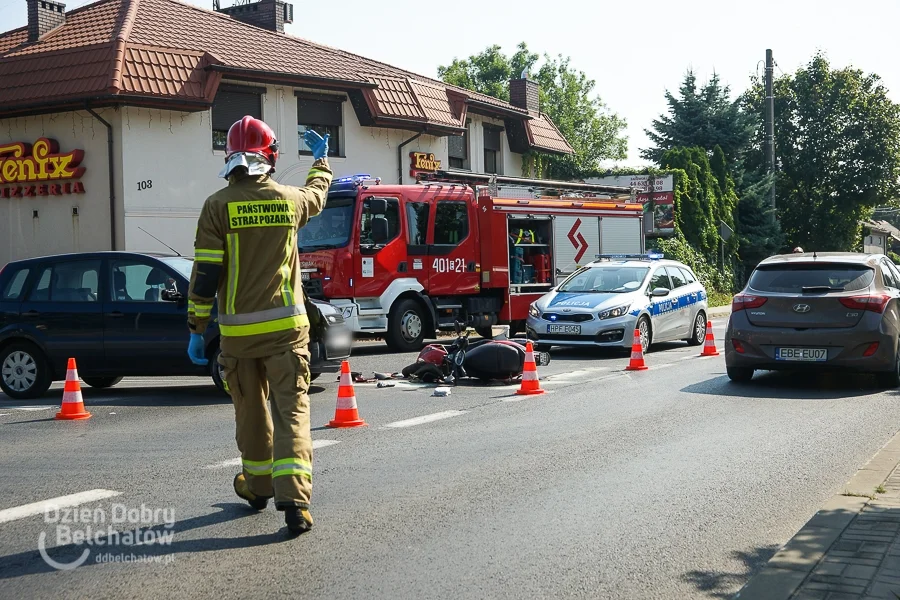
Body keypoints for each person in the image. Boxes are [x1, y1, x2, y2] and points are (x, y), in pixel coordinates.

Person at [186, 115, 332, 535]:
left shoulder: (217, 206)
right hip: (287, 331)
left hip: (237, 336)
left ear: (229, 157)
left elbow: (206, 276)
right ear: (270, 156)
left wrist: (197, 328)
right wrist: (320, 161)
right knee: (292, 413)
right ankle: (296, 503)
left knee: (250, 414)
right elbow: (317, 195)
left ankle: (257, 485)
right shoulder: (288, 200)